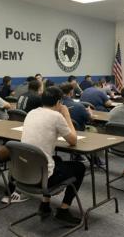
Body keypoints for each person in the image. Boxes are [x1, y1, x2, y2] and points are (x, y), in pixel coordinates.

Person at [22, 86, 85, 226]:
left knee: (57, 159)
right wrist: (66, 114)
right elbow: (73, 140)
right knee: (79, 167)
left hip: (24, 172)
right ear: (58, 103)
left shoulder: (31, 112)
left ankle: (45, 205)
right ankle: (63, 210)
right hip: (42, 177)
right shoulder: (56, 116)